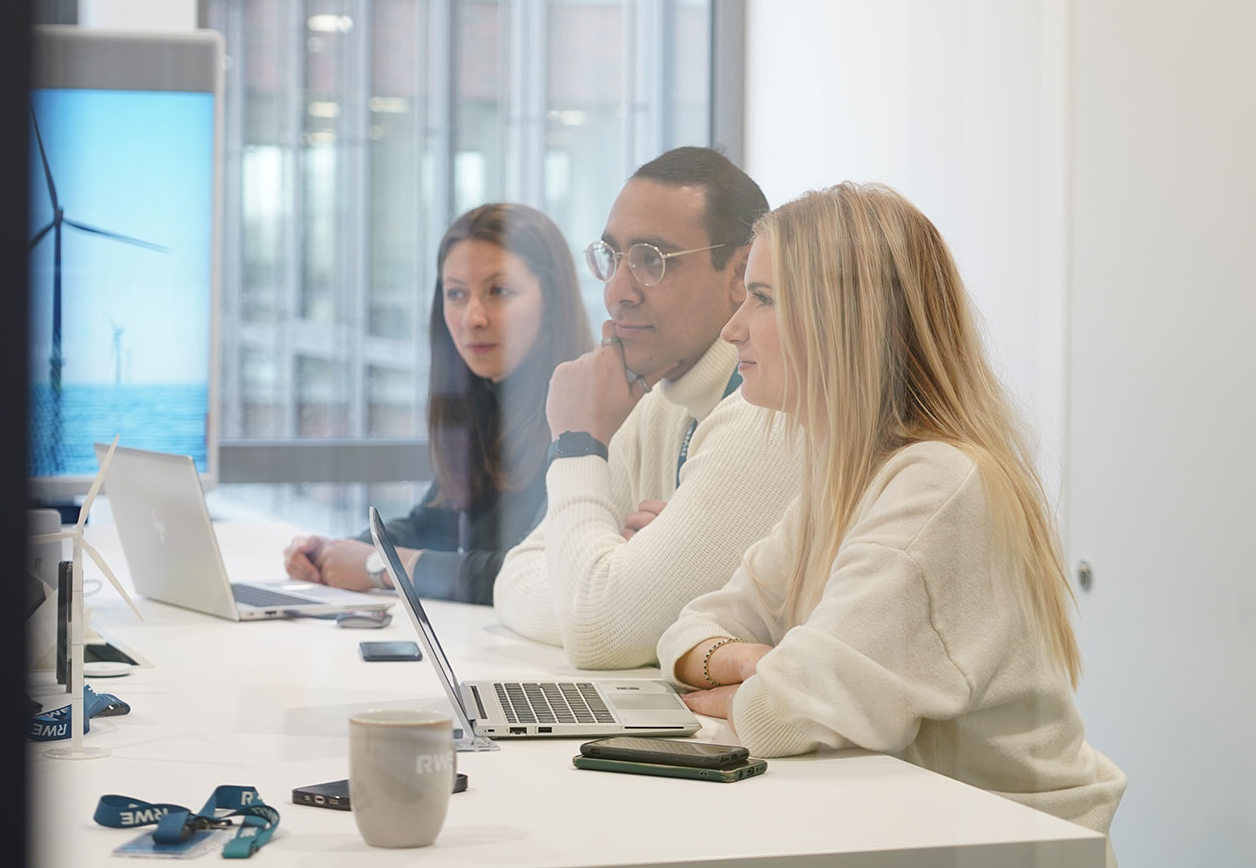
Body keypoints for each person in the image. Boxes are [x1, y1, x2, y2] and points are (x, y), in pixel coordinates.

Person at [657, 183, 1126, 849]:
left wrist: (757, 682)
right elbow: (688, 629)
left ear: (839, 321)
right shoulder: (851, 475)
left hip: (1010, 850)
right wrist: (745, 660)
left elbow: (781, 713)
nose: (733, 329)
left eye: (760, 299)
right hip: (924, 836)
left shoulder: (938, 485)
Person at [493, 147, 803, 668]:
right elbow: (517, 576)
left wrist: (576, 442)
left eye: (650, 261)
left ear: (740, 273)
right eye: (612, 257)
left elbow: (598, 630)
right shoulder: (653, 401)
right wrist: (613, 575)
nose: (617, 291)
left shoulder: (771, 415)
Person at [282, 203, 591, 604]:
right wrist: (331, 554)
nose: (472, 317)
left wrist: (380, 568)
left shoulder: (585, 413)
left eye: (499, 291)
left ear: (552, 302)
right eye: (456, 294)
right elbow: (433, 522)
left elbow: (534, 573)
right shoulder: (485, 396)